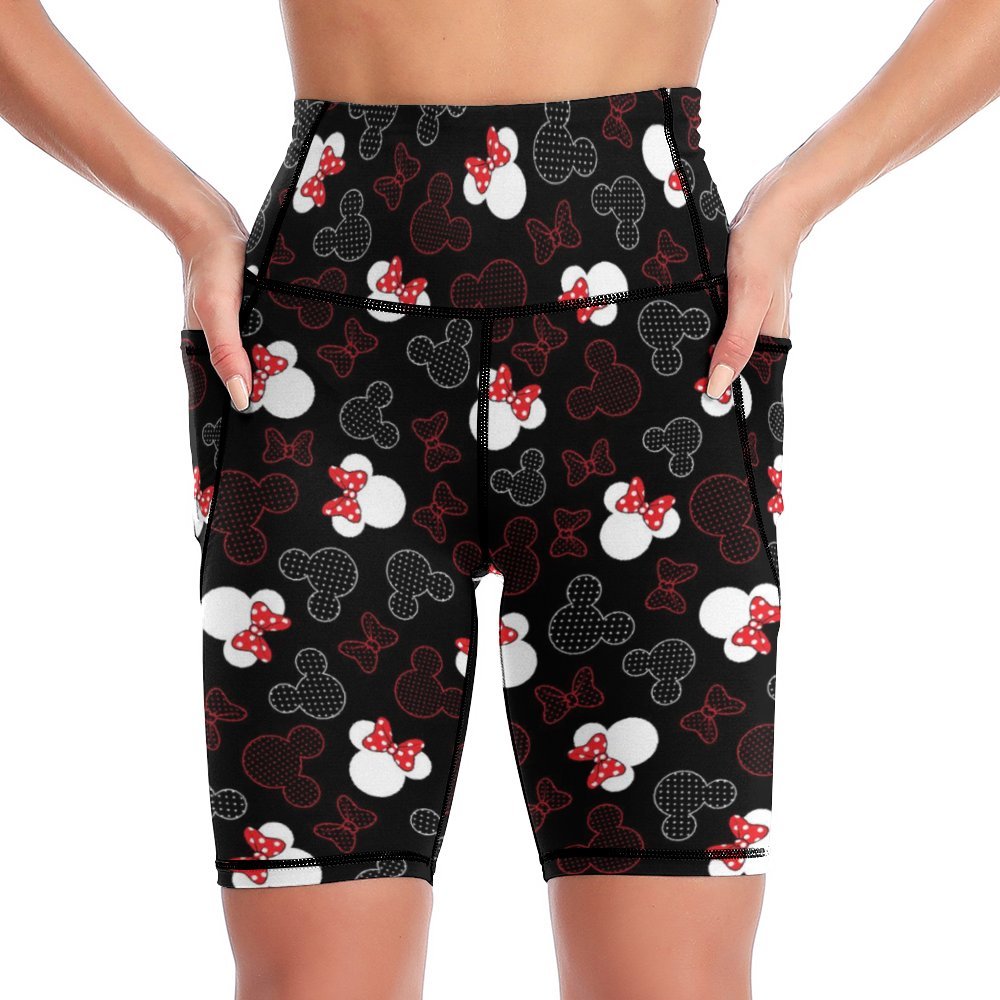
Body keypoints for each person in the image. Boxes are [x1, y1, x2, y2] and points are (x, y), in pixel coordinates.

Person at [2, 2, 998, 998]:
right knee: (313, 981)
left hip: (651, 351)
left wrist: (797, 198)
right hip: (330, 354)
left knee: (671, 983)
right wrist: (188, 216)